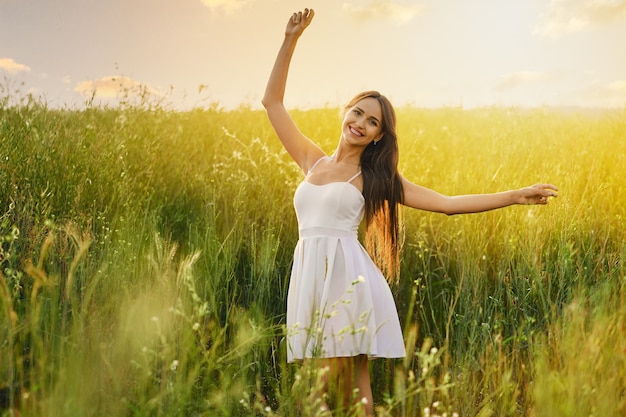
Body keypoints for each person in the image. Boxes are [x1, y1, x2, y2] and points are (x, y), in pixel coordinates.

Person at [262, 8, 558, 417]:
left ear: (380, 135)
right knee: (351, 387)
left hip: (346, 281)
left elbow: (448, 205)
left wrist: (514, 195)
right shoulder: (311, 161)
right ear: (344, 112)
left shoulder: (373, 178)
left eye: (373, 122)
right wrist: (289, 39)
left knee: (323, 387)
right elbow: (272, 102)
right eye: (357, 113)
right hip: (310, 274)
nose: (361, 123)